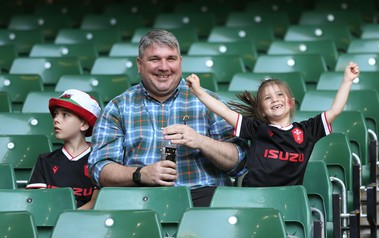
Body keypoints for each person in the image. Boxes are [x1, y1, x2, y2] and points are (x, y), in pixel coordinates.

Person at [88, 29, 248, 207]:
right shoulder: (117, 107)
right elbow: (99, 169)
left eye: (171, 59)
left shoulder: (208, 101)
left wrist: (202, 141)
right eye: (154, 59)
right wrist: (141, 174)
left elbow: (239, 162)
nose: (164, 67)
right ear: (139, 64)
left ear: (180, 62)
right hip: (140, 198)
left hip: (201, 195)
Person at [186, 62, 360, 187]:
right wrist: (199, 92)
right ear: (262, 110)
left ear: (290, 102)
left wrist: (347, 81)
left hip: (289, 197)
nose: (274, 100)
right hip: (253, 195)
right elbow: (224, 111)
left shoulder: (307, 131)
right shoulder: (257, 129)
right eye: (268, 98)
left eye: (279, 95)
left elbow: (335, 110)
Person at [27, 89, 102, 210]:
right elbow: (38, 202)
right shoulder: (44, 160)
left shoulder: (99, 159)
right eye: (56, 114)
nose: (56, 119)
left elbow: (97, 203)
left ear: (84, 124)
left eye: (65, 115)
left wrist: (68, 219)